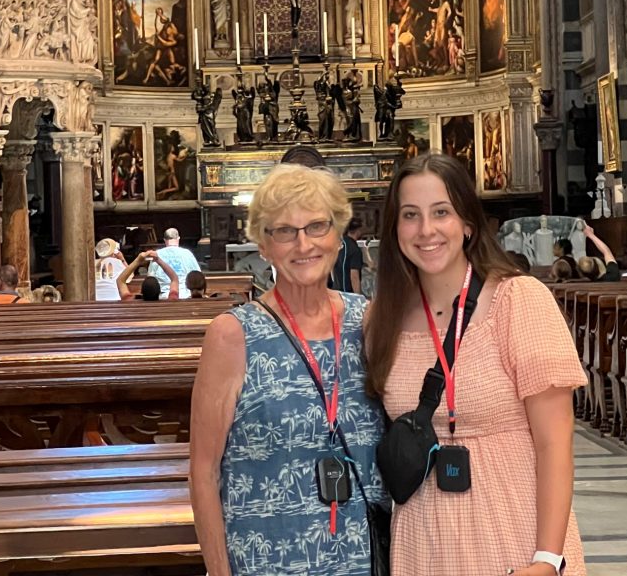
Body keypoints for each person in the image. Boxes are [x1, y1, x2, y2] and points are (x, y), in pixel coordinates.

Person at [365, 153, 587, 576]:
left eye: (441, 212)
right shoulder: (381, 319)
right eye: (410, 215)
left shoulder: (518, 301)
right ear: (395, 230)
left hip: (513, 529)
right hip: (424, 541)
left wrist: (547, 558)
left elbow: (554, 444)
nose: (426, 230)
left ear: (467, 223)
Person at [190, 163, 387, 576]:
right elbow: (203, 471)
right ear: (263, 246)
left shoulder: (366, 321)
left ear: (338, 235)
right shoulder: (232, 335)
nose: (303, 244)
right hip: (266, 559)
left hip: (362, 559)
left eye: (317, 226)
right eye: (284, 231)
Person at [147, 227, 200, 299]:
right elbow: (198, 275)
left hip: (163, 296)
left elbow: (150, 278)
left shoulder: (157, 254)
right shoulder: (187, 253)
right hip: (185, 295)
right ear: (178, 238)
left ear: (164, 240)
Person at [117, 250, 181, 301]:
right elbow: (174, 279)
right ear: (159, 291)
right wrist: (158, 260)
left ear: (141, 292)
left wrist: (138, 260)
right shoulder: (172, 301)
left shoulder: (129, 301)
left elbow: (120, 281)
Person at [331, 216, 364, 294]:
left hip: (336, 292)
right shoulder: (354, 249)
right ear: (358, 230)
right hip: (348, 294)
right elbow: (354, 276)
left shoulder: (339, 244)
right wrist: (358, 297)